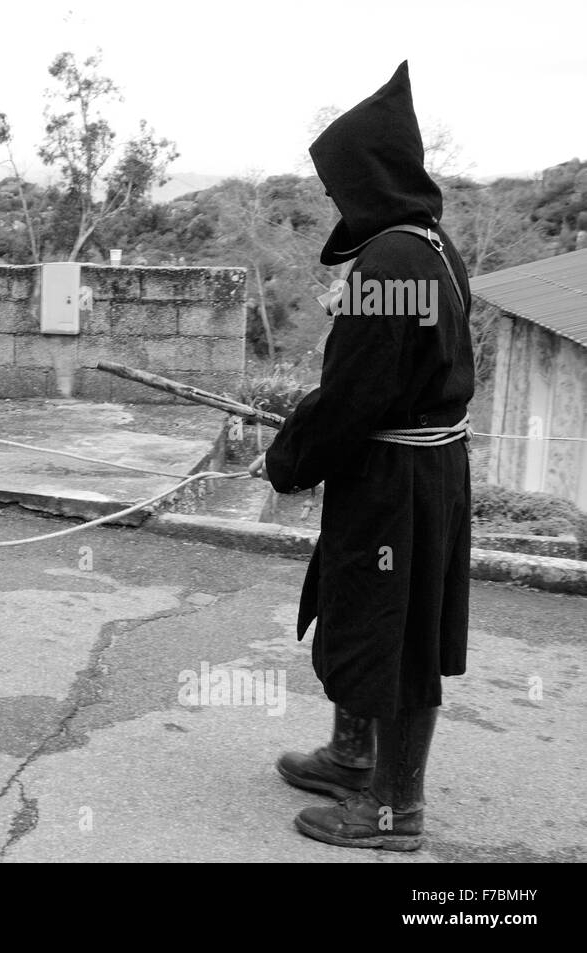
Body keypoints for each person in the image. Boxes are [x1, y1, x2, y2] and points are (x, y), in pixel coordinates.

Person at [250, 61, 474, 850]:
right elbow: (370, 382)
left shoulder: (394, 266)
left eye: (337, 182)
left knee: (396, 630)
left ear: (368, 178)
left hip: (398, 478)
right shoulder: (427, 247)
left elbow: (356, 392)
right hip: (403, 469)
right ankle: (352, 756)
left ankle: (393, 811)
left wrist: (289, 458)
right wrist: (307, 445)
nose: (332, 199)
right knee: (363, 609)